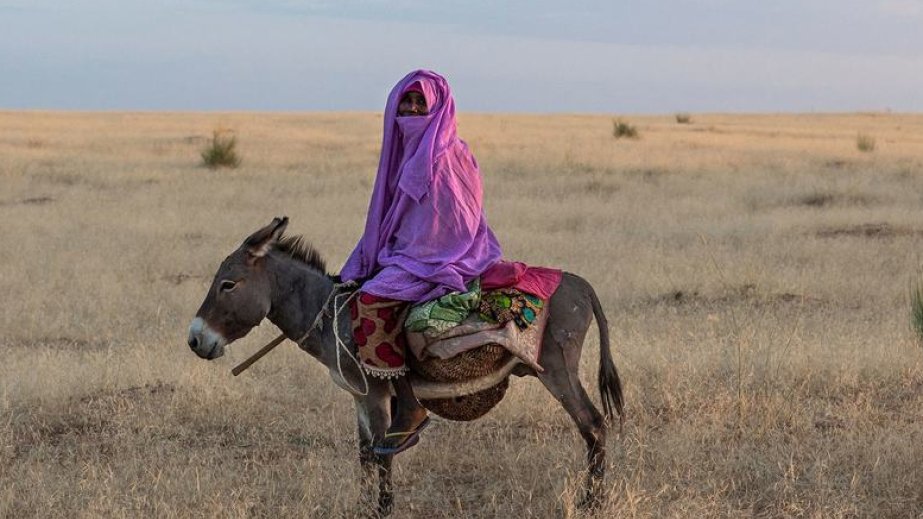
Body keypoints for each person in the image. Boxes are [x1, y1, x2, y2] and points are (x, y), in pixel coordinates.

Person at [340, 70, 502, 455]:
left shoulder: (451, 155)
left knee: (371, 300)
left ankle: (409, 404)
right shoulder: (402, 153)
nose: (412, 109)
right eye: (406, 102)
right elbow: (394, 215)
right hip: (406, 252)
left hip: (444, 255)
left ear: (438, 108)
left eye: (420, 103)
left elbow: (458, 222)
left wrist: (411, 257)